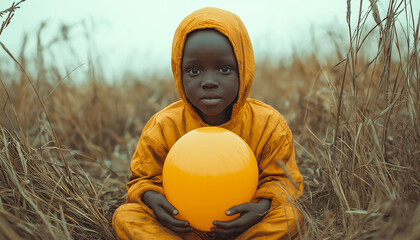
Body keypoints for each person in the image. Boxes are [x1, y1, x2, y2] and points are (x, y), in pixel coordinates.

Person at [113, 7, 304, 240]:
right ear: (179, 74)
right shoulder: (164, 125)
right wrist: (154, 201)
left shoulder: (268, 124)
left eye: (224, 69)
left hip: (244, 227)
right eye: (194, 70)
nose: (209, 82)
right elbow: (142, 180)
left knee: (291, 216)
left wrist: (260, 209)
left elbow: (283, 180)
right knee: (126, 216)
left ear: (243, 71)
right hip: (183, 229)